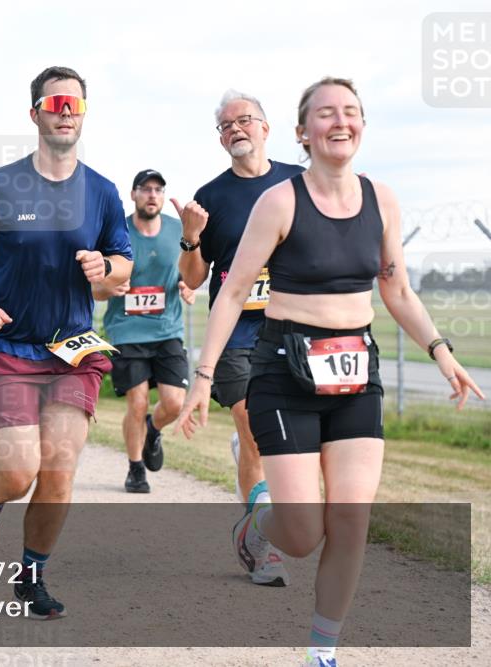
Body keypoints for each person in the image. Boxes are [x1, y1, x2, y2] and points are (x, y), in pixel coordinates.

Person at [174, 77, 484, 667]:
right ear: (302, 132)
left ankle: (323, 650)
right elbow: (232, 290)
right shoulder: (280, 201)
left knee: (350, 520)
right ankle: (255, 528)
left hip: (355, 375)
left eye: (350, 112)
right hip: (284, 373)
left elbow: (397, 290)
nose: (339, 122)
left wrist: (443, 352)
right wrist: (204, 377)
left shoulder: (382, 199)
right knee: (302, 532)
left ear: (362, 124)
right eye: (325, 113)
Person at [0, 66, 133, 619]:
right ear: (35, 114)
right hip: (9, 348)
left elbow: (123, 268)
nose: (65, 112)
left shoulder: (101, 191)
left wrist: (107, 267)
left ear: (83, 115)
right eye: (55, 104)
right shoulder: (1, 185)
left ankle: (31, 575)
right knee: (19, 467)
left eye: (75, 105)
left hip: (73, 352)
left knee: (58, 467)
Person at [176, 89, 304, 586]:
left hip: (295, 331)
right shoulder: (211, 197)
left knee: (289, 444)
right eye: (226, 125)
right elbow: (190, 278)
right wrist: (190, 236)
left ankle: (258, 507)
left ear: (266, 128)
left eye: (244, 120)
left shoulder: (299, 181)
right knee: (254, 429)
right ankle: (263, 550)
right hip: (237, 335)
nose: (235, 130)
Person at [95, 169, 194, 493]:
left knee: (175, 403)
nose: (152, 195)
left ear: (163, 197)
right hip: (127, 330)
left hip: (167, 329)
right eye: (146, 189)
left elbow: (194, 271)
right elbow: (95, 288)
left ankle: (153, 429)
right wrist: (111, 288)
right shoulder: (116, 232)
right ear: (134, 194)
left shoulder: (177, 230)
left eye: (158, 190)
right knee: (137, 402)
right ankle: (136, 468)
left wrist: (188, 285)